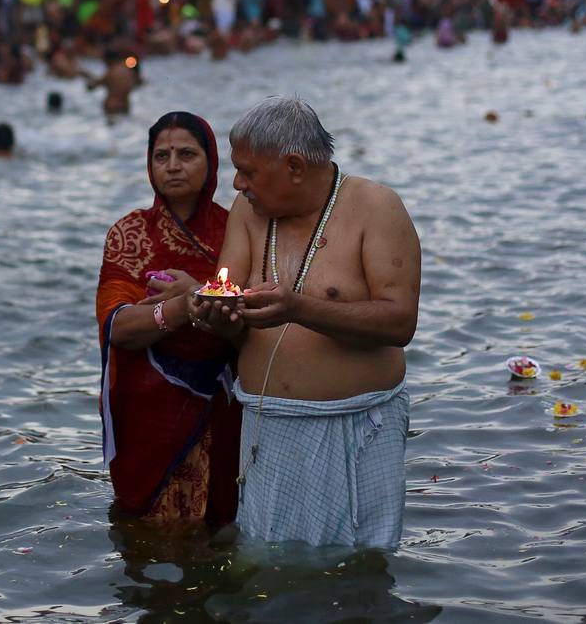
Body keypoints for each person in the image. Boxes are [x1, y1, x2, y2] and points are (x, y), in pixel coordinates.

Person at [187, 96, 420, 549]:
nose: (237, 184)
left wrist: (299, 308)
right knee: (269, 570)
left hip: (357, 427)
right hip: (268, 428)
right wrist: (209, 312)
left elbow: (399, 322)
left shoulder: (376, 207)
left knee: (359, 575)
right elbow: (228, 308)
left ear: (294, 166)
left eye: (249, 171)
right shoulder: (248, 214)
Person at [97, 111, 242, 525]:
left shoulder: (236, 229)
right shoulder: (130, 234)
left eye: (186, 154)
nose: (173, 166)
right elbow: (117, 326)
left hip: (224, 404)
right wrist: (181, 308)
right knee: (148, 542)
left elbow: (250, 312)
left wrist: (193, 293)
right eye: (161, 155)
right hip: (149, 412)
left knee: (221, 535)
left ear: (211, 162)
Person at [86, 49, 139, 118]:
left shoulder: (111, 72)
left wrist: (88, 77)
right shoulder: (129, 72)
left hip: (112, 107)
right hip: (125, 107)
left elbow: (92, 87)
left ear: (109, 59)